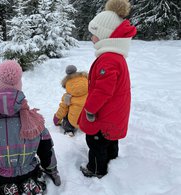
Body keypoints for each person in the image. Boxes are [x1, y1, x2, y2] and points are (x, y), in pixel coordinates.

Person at [0, 60, 61, 195]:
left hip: (0, 176)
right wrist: (52, 170)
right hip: (29, 172)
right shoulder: (34, 123)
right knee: (30, 172)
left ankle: (6, 186)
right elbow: (46, 150)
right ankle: (28, 183)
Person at [77, 0, 137, 178]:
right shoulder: (114, 56)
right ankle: (112, 157)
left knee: (95, 142)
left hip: (104, 114)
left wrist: (90, 108)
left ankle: (96, 169)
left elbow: (103, 91)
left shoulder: (109, 59)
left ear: (105, 35)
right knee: (110, 138)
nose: (91, 37)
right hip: (114, 114)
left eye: (94, 34)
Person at [53, 65, 88, 137]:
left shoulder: (68, 97)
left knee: (67, 110)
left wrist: (57, 118)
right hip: (89, 120)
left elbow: (62, 109)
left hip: (75, 122)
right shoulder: (90, 92)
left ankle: (69, 130)